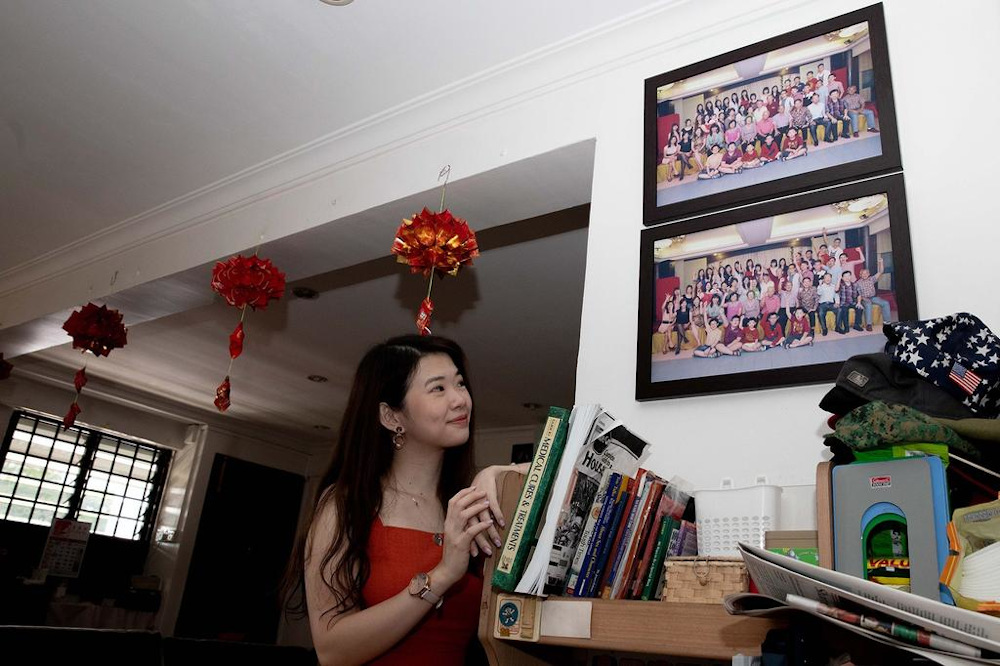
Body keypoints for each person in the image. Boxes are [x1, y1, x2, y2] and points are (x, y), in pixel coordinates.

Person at [290, 335, 527, 665]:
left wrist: (499, 474)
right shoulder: (346, 505)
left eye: (460, 383)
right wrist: (442, 575)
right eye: (438, 388)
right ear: (391, 417)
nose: (461, 399)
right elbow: (332, 650)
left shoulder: (469, 502)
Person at [855, 257, 893, 330]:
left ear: (869, 274)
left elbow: (881, 271)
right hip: (864, 299)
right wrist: (864, 298)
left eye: (866, 273)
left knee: (885, 303)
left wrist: (881, 262)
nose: (864, 275)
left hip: (873, 297)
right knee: (868, 305)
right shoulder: (858, 283)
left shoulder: (872, 279)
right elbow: (858, 294)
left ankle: (887, 322)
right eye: (862, 273)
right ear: (860, 275)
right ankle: (869, 324)